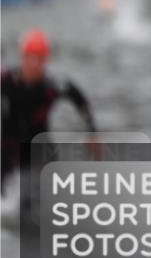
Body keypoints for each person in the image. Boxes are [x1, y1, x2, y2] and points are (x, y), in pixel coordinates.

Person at [1, 29, 100, 199]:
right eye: (29, 58)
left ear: (45, 60)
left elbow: (81, 101)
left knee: (46, 200)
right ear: (22, 57)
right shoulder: (6, 80)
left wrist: (92, 134)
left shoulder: (52, 87)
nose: (34, 64)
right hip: (9, 149)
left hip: (40, 151)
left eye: (39, 59)